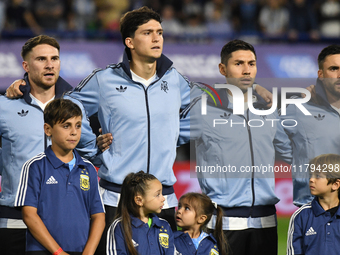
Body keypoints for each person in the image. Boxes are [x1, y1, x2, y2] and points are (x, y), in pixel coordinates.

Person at [6, 7, 272, 254]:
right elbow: (67, 102)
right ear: (129, 42)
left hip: (163, 201)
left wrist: (252, 87)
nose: (157, 38)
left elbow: (210, 98)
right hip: (116, 200)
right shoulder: (104, 80)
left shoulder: (174, 79)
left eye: (159, 32)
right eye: (147, 33)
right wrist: (90, 145)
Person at [182, 39, 292, 255]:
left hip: (266, 221)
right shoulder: (204, 109)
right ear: (223, 69)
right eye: (239, 63)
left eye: (251, 64)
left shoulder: (268, 109)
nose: (246, 70)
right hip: (223, 222)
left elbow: (292, 152)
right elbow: (166, 139)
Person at [0, 35, 99, 255]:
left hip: (62, 220)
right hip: (15, 221)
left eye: (55, 58)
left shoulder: (75, 105)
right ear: (26, 65)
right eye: (41, 59)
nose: (49, 64)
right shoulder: (4, 106)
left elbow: (90, 153)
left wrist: (102, 146)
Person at [14, 98, 105, 255]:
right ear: (48, 130)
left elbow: (98, 216)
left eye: (78, 125)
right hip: (43, 250)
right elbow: (28, 215)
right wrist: (58, 252)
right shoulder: (35, 166)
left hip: (81, 250)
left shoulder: (88, 168)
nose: (74, 132)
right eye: (66, 126)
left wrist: (88, 253)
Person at [281, 44, 340, 207]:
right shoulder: (299, 108)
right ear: (321, 74)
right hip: (312, 209)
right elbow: (267, 133)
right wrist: (299, 160)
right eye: (334, 69)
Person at [106, 170, 174, 255]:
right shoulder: (119, 227)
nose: (163, 198)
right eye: (157, 195)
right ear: (139, 200)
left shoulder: (165, 225)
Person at [287, 154, 340, 255]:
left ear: (335, 184)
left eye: (318, 176)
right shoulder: (301, 216)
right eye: (311, 175)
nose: (311, 179)